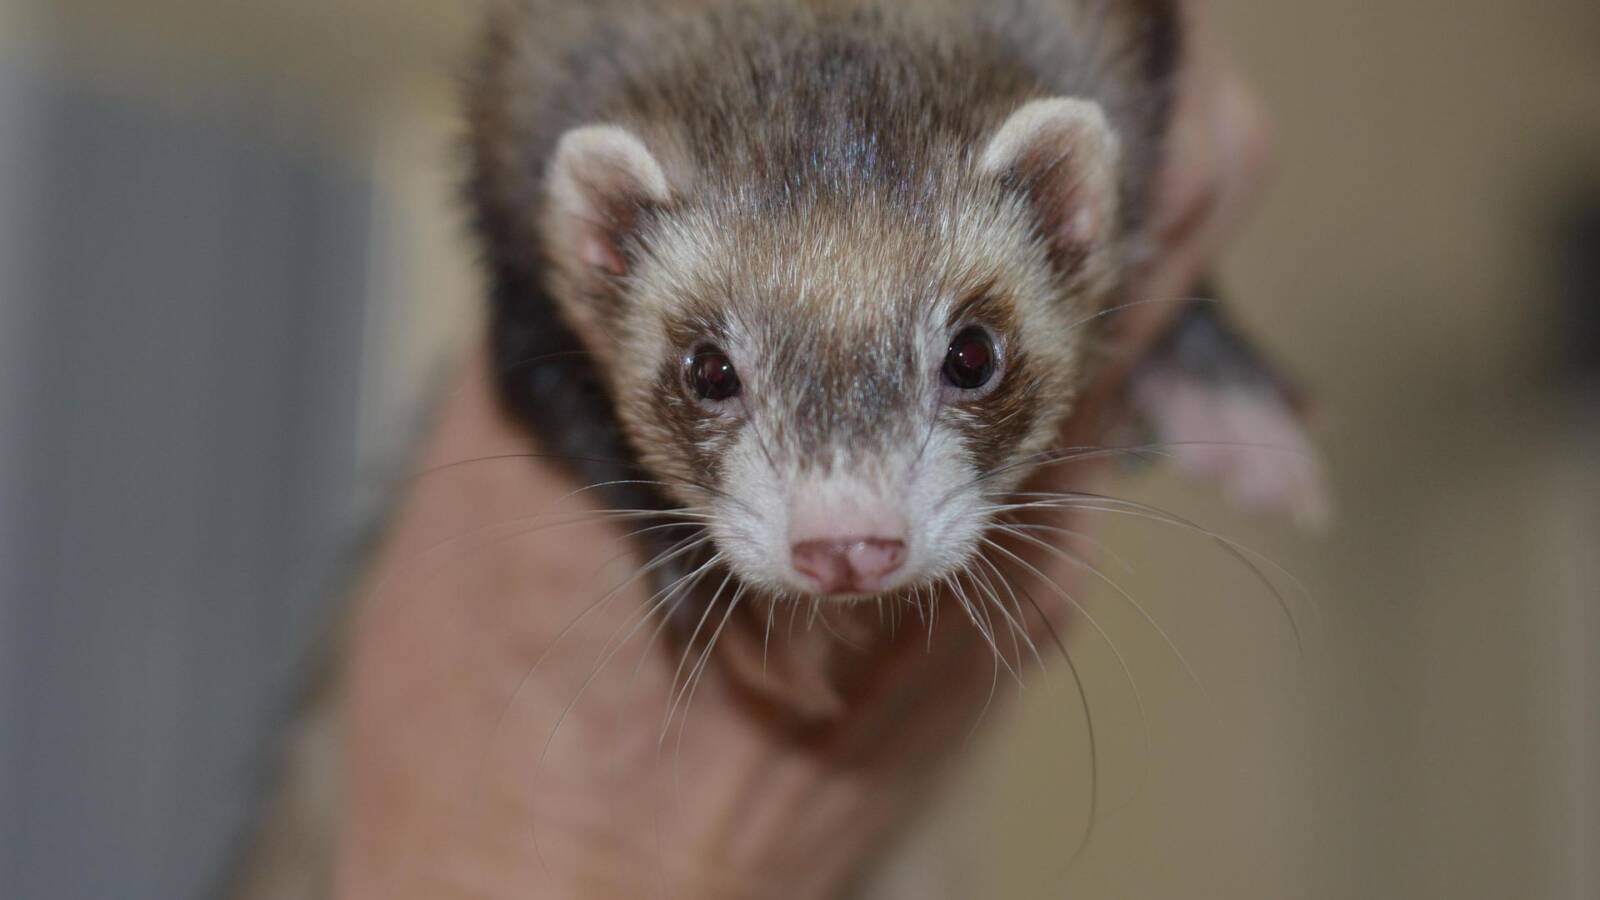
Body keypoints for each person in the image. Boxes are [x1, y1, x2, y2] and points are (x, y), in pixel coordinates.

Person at [332, 4, 1273, 896]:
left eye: (967, 363)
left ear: (1075, 229)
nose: (848, 523)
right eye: (713, 380)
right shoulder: (546, 118)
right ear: (601, 259)